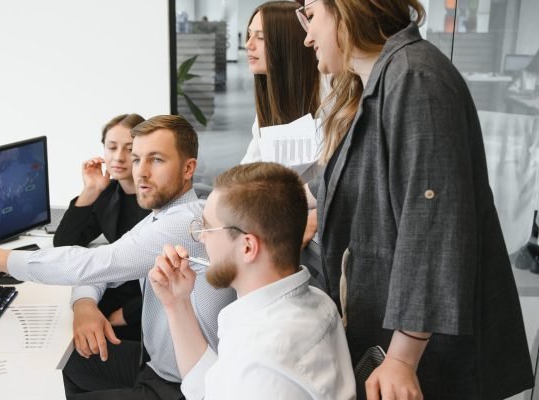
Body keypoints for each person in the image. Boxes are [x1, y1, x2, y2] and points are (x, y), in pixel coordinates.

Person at [298, 0, 535, 398]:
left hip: (426, 352)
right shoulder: (381, 80)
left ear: (344, 8)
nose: (307, 36)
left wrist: (403, 356)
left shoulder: (415, 78)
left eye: (310, 14)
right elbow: (332, 180)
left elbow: (433, 224)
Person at [0, 115, 236, 399]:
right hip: (154, 365)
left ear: (188, 168)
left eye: (156, 160)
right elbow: (104, 260)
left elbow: (99, 263)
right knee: (71, 361)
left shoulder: (183, 224)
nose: (140, 171)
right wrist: (84, 302)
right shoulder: (163, 215)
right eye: (138, 159)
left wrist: (3, 260)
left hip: (182, 387)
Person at [149, 162, 355, 399]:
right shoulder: (313, 301)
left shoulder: (263, 362)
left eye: (207, 227)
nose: (201, 238)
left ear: (247, 247)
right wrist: (176, 303)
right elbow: (209, 389)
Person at [54, 114, 149, 346]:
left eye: (129, 148)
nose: (118, 157)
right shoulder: (109, 192)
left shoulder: (154, 199)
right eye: (112, 147)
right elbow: (65, 245)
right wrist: (91, 191)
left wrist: (124, 316)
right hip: (118, 290)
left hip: (145, 307)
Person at [241, 1, 321, 164]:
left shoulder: (326, 99)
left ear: (287, 45)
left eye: (261, 37)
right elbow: (251, 163)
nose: (248, 45)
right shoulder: (270, 100)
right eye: (250, 35)